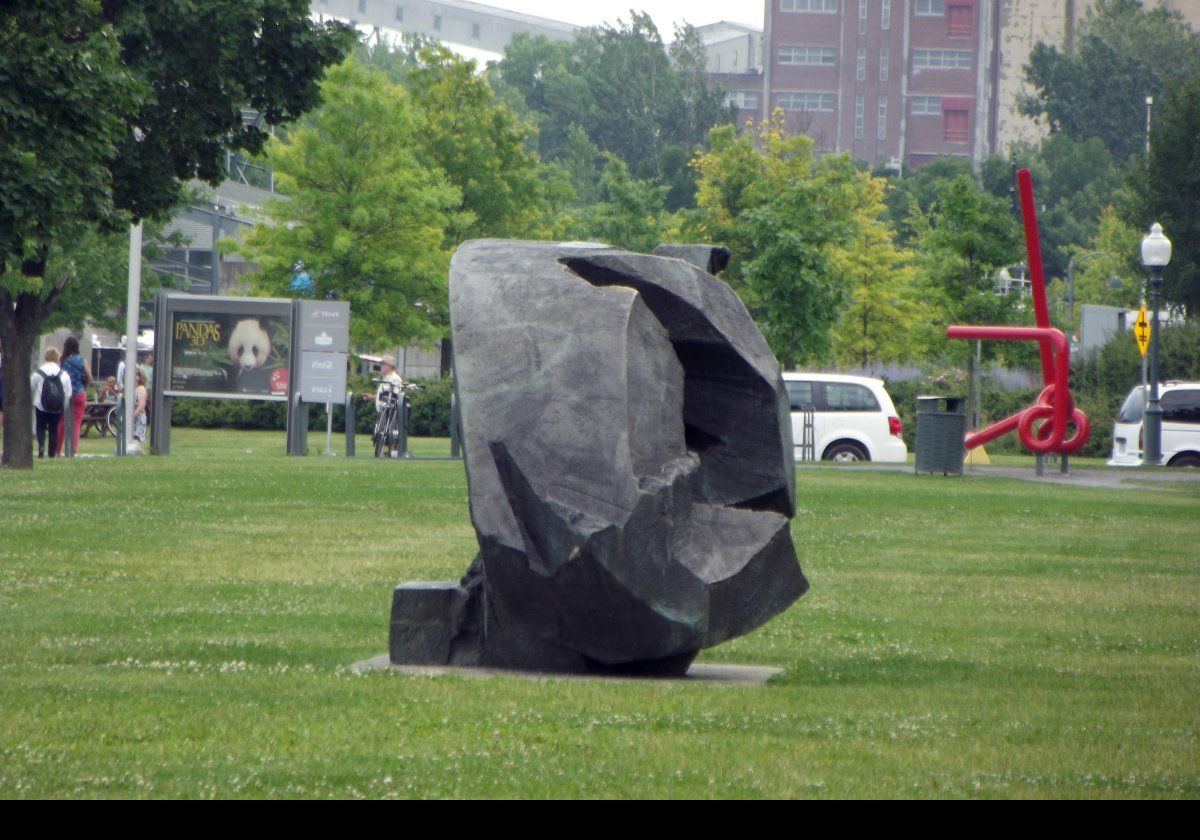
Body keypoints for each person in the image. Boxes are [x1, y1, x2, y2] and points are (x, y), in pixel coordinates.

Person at [30, 348, 71, 459]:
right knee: (54, 429)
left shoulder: (39, 372)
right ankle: (52, 451)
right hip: (57, 407)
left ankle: (41, 446)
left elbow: (31, 386)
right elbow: (68, 392)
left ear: (46, 357)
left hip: (41, 405)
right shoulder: (63, 374)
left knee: (40, 427)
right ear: (58, 358)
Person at [58, 335, 92, 456]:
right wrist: (84, 384)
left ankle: (57, 449)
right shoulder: (82, 360)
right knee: (76, 422)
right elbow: (90, 377)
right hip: (79, 392)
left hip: (65, 394)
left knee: (62, 421)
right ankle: (74, 449)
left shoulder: (62, 360)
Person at [132, 368, 149, 445]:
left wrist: (133, 416)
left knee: (137, 438)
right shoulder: (133, 388)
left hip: (138, 417)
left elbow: (142, 404)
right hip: (133, 416)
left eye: (136, 374)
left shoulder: (141, 388)